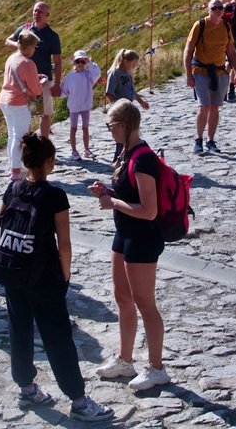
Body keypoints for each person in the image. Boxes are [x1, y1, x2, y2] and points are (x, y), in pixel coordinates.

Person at [0, 133, 114, 422]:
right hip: (44, 276)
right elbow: (65, 242)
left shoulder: (12, 189)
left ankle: (26, 387)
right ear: (49, 162)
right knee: (57, 336)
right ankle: (78, 400)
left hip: (13, 271)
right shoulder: (55, 196)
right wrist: (65, 274)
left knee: (19, 329)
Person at [88, 99, 170, 391]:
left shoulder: (143, 159)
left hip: (143, 237)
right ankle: (125, 359)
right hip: (124, 233)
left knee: (145, 303)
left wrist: (113, 202)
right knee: (123, 297)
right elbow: (128, 195)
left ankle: (157, 368)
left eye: (111, 124)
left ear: (125, 125)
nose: (109, 129)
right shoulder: (126, 153)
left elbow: (149, 210)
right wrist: (108, 191)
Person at [183, 0, 236, 154]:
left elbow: (231, 51)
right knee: (204, 106)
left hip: (220, 72)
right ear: (208, 10)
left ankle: (211, 140)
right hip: (200, 71)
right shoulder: (200, 25)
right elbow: (188, 51)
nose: (218, 11)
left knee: (215, 108)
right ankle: (198, 140)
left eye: (220, 8)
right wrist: (189, 75)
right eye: (214, 8)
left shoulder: (226, 26)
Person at [6, 2, 63, 137]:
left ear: (47, 15)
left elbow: (58, 62)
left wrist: (56, 84)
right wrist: (20, 45)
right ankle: (26, 142)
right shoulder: (24, 30)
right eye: (35, 11)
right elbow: (7, 41)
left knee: (45, 113)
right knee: (24, 113)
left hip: (44, 80)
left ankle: (44, 143)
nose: (36, 14)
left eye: (40, 12)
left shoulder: (52, 36)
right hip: (24, 81)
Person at [0, 32, 45, 180]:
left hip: (5, 100)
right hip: (18, 102)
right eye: (34, 47)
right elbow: (36, 90)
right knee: (19, 137)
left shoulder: (11, 58)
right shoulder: (28, 63)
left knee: (11, 135)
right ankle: (16, 170)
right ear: (30, 46)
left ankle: (12, 165)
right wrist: (41, 82)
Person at [105, 49, 150, 160]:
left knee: (130, 136)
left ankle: (127, 158)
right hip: (120, 112)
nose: (134, 66)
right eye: (132, 63)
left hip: (128, 111)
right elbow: (109, 94)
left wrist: (141, 102)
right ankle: (117, 160)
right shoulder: (115, 73)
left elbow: (132, 91)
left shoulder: (128, 74)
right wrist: (119, 107)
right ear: (125, 61)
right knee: (121, 138)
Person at [61, 50, 102, 162]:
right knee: (73, 129)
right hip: (74, 106)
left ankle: (86, 149)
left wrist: (90, 62)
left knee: (85, 128)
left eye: (82, 61)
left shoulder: (89, 75)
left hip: (85, 105)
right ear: (74, 62)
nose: (80, 63)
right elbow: (64, 91)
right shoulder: (69, 77)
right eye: (77, 61)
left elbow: (97, 73)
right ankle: (74, 150)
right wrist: (55, 92)